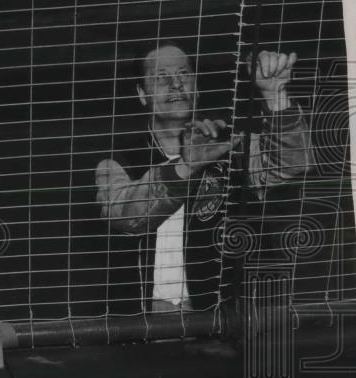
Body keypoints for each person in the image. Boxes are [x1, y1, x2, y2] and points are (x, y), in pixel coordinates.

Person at [95, 42, 313, 314]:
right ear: (142, 93)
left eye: (184, 74)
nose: (176, 84)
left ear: (197, 88)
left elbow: (293, 165)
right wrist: (186, 167)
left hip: (231, 321)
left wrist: (275, 95)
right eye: (160, 77)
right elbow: (129, 219)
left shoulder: (231, 144)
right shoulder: (117, 163)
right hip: (145, 325)